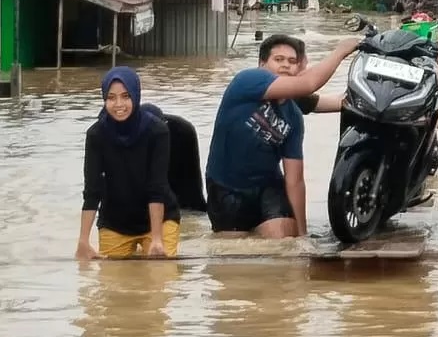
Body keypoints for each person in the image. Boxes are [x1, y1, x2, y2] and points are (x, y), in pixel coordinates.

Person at [205, 33, 361, 238]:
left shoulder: (294, 116)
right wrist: (341, 50)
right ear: (262, 65)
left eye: (292, 61)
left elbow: (294, 179)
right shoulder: (247, 80)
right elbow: (308, 84)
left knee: (284, 241)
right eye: (278, 60)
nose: (286, 65)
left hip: (268, 187)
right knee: (233, 254)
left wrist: (303, 235)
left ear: (300, 68)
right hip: (227, 188)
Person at [77, 67, 181, 260]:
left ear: (135, 95)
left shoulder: (157, 131)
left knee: (161, 282)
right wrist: (83, 241)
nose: (119, 104)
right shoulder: (96, 135)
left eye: (126, 96)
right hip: (115, 222)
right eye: (111, 97)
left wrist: (157, 239)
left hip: (160, 220)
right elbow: (92, 190)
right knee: (112, 287)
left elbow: (156, 187)